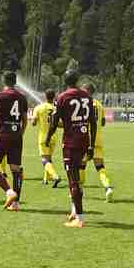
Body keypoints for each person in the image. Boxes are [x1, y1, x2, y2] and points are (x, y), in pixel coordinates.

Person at [46, 69, 97, 227]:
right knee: (76, 179)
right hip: (84, 140)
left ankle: (79, 218)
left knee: (73, 180)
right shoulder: (87, 96)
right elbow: (93, 123)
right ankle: (75, 210)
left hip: (71, 143)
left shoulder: (62, 97)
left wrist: (48, 137)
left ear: (65, 80)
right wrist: (91, 145)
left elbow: (54, 122)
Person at [0, 71, 29, 209]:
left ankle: (9, 192)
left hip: (4, 133)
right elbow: (25, 120)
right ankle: (16, 203)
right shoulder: (22, 97)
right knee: (16, 169)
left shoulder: (1, 95)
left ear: (3, 81)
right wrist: (20, 134)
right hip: (17, 134)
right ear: (15, 82)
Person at [80, 83, 114, 201]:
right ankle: (108, 187)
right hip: (98, 139)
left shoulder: (83, 103)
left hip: (85, 138)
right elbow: (103, 122)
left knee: (81, 166)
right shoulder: (99, 104)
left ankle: (79, 190)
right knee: (100, 166)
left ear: (87, 91)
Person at [29, 90, 60, 188]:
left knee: (44, 160)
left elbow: (33, 123)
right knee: (49, 159)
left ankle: (55, 176)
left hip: (43, 137)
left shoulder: (39, 108)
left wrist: (34, 120)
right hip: (54, 137)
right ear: (54, 97)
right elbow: (60, 124)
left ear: (45, 96)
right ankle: (45, 179)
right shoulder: (56, 108)